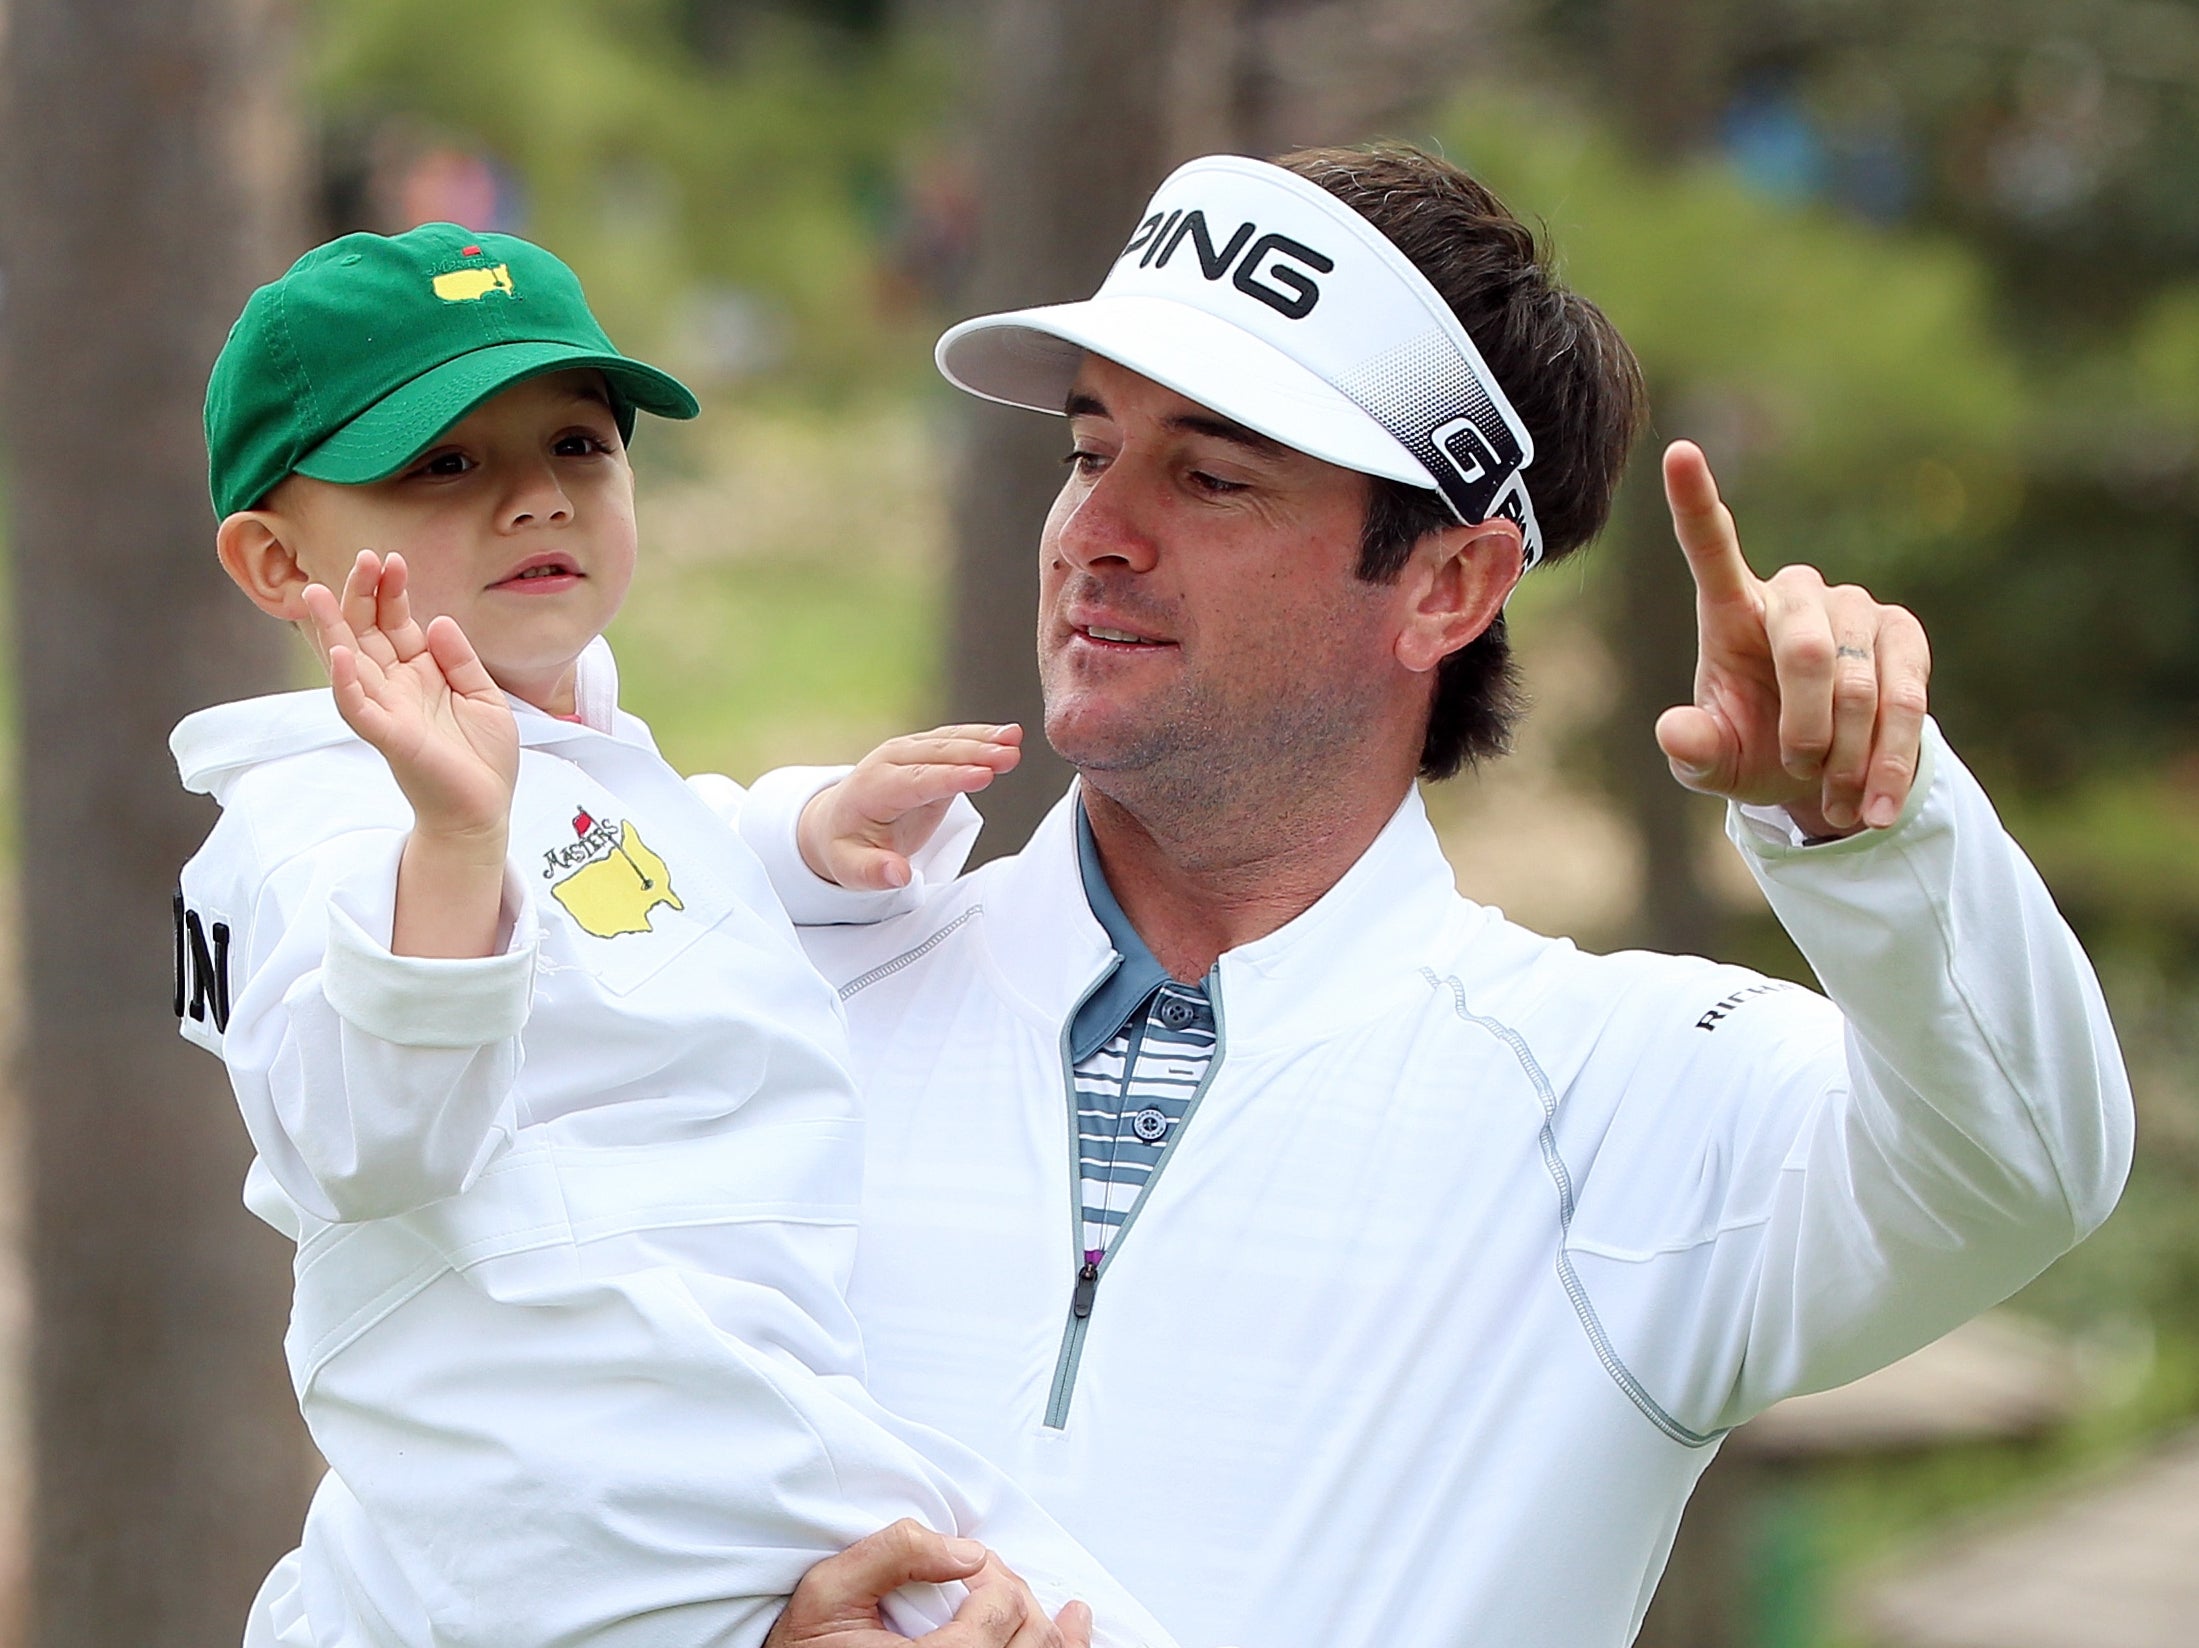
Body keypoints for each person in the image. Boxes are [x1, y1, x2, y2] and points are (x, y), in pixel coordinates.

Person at [747, 146, 2136, 1648]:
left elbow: (2026, 1166)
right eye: (1091, 452)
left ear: (1448, 588)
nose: (1097, 530)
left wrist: (1871, 824)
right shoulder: (786, 990)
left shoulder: (1626, 1100)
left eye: (1210, 475)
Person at [172, 224, 1177, 1648]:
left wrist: (809, 832)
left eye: (579, 445)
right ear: (279, 561)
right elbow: (362, 1138)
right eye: (445, 464)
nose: (537, 501)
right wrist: (452, 841)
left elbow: (641, 868)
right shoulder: (313, 819)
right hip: (582, 1422)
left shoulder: (573, 747)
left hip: (701, 1392)